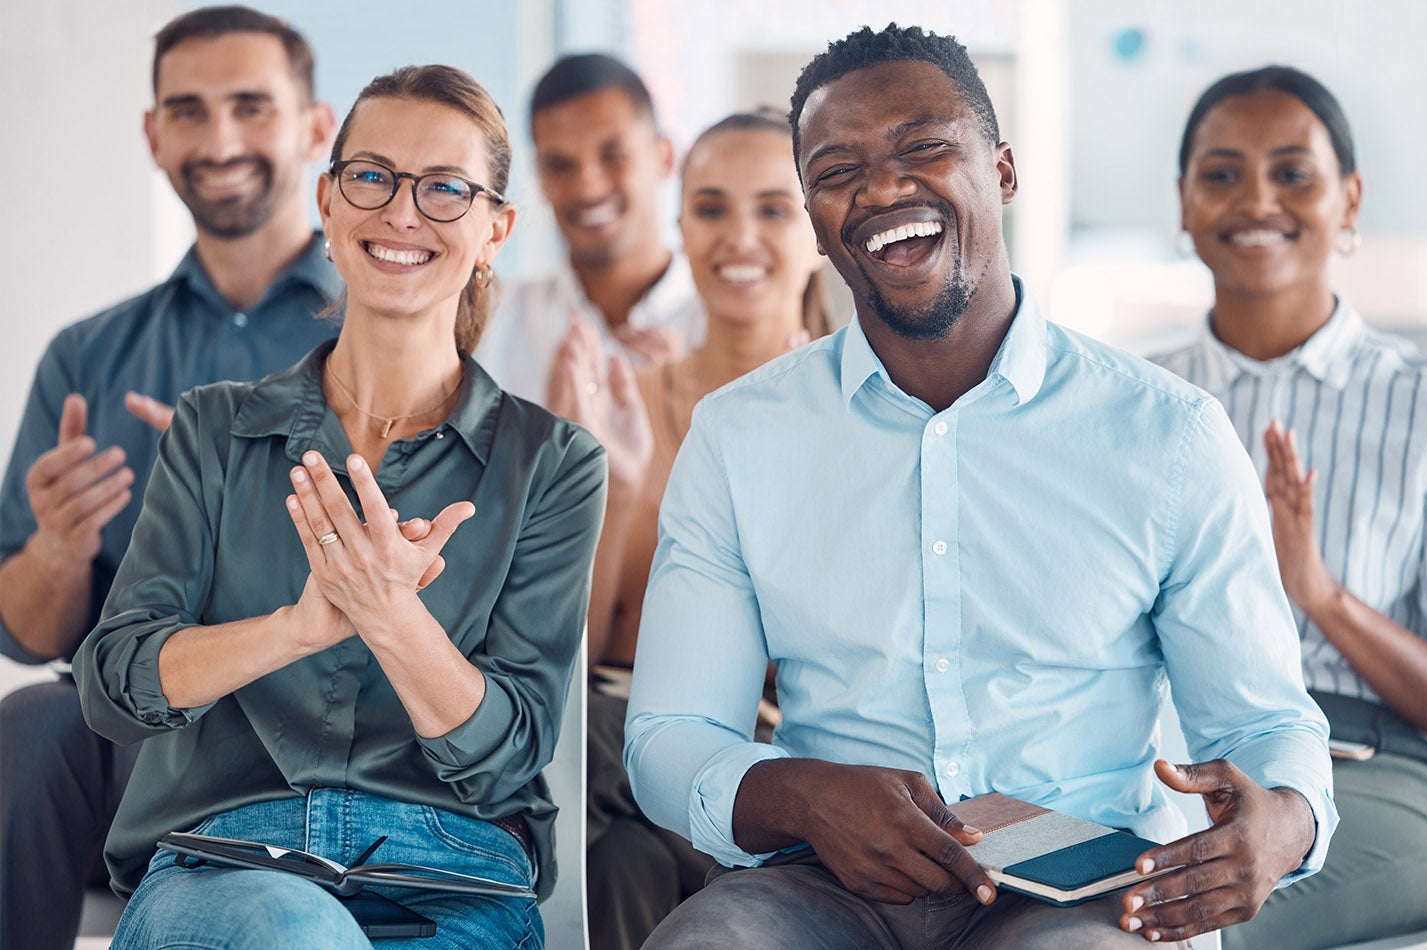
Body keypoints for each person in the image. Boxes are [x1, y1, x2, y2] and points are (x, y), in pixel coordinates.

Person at [625, 24, 1336, 949]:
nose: (882, 190)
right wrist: (798, 792)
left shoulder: (1169, 435)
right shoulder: (737, 436)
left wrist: (1285, 821)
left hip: (1082, 895)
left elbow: (1267, 721)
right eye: (839, 171)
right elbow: (669, 735)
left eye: (924, 147)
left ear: (1002, 170)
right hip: (822, 884)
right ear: (814, 218)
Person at [73, 64, 605, 949]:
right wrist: (298, 627)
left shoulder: (551, 464)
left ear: (494, 230)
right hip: (228, 870)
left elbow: (510, 754)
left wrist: (392, 618)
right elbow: (116, 685)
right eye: (373, 177)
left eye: (445, 189)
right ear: (328, 201)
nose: (402, 212)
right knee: (295, 930)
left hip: (452, 880)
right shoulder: (215, 428)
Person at [0, 7, 339, 948]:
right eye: (188, 111)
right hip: (129, 728)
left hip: (313, 728)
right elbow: (26, 632)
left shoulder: (379, 341)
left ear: (315, 126)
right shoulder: (88, 356)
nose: (219, 139)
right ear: (153, 134)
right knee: (29, 724)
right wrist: (61, 549)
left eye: (250, 106)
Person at [1150, 65, 1427, 949]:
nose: (1257, 200)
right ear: (1185, 202)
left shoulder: (1423, 407)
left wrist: (1318, 594)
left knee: (1182, 918)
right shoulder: (1132, 401)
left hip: (1371, 770)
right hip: (1165, 758)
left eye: (1293, 172)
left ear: (1349, 200)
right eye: (1223, 173)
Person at [554, 108, 829, 950]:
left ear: (821, 227)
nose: (737, 237)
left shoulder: (861, 415)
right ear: (678, 226)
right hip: (615, 747)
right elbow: (572, 645)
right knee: (620, 863)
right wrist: (618, 493)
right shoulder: (621, 403)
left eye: (773, 209)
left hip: (762, 758)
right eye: (711, 209)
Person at [474, 52, 705, 408]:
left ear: (665, 157)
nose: (588, 187)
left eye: (613, 156)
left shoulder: (722, 323)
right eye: (560, 164)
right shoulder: (492, 323)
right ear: (540, 178)